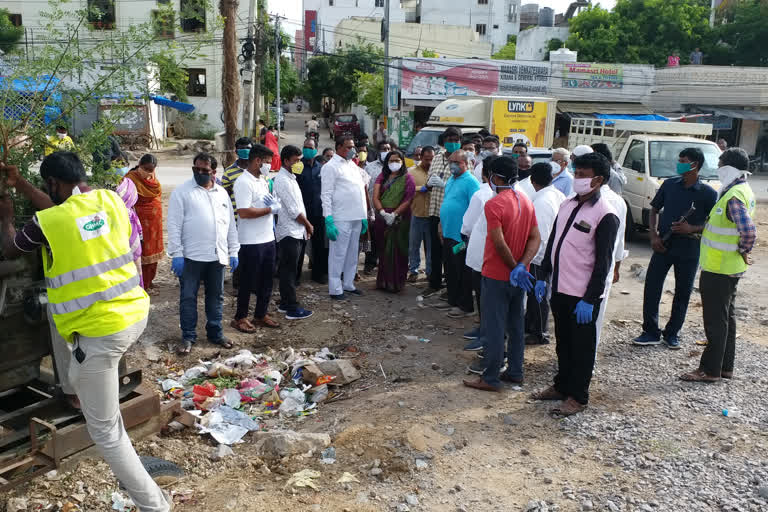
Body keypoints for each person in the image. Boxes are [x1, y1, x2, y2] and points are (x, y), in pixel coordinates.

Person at [0, 154, 171, 512]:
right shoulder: (109, 199)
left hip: (100, 335)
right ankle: (85, 390)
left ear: (53, 184)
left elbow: (12, 247)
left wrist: (6, 214)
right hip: (133, 315)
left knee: (106, 434)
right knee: (79, 376)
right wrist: (19, 184)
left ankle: (155, 506)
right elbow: (65, 215)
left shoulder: (48, 222)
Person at [533, 153, 620, 416]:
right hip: (560, 288)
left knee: (582, 347)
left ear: (599, 179)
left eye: (583, 175)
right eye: (577, 172)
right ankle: (562, 385)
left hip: (582, 294)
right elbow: (554, 243)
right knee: (563, 342)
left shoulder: (606, 214)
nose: (577, 179)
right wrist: (543, 276)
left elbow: (603, 262)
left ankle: (578, 396)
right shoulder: (567, 204)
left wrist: (590, 299)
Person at [462, 156, 541, 392]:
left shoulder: (494, 204)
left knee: (494, 327)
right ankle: (516, 371)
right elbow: (536, 237)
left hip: (497, 274)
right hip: (520, 276)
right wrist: (521, 266)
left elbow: (498, 242)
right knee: (516, 325)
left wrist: (512, 265)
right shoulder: (525, 200)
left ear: (495, 177)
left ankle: (490, 377)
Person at [681, 148, 757, 382]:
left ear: (729, 168)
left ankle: (710, 370)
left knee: (715, 321)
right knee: (726, 318)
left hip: (720, 269)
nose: (717, 169)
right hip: (727, 267)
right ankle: (725, 367)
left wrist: (744, 250)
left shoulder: (733, 196)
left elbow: (748, 231)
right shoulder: (741, 190)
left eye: (720, 165)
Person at [633, 147, 717, 349]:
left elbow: (714, 224)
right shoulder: (669, 185)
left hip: (689, 248)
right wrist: (653, 235)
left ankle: (672, 333)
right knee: (652, 286)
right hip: (663, 244)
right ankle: (650, 331)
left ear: (694, 165)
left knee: (683, 291)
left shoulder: (708, 193)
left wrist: (692, 228)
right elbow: (654, 209)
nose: (678, 164)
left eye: (683, 160)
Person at [167, 153, 239, 354]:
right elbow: (173, 225)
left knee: (216, 297)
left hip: (217, 256)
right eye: (196, 169)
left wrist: (234, 251)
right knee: (188, 297)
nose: (199, 173)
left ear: (214, 172)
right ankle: (188, 336)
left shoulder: (222, 193)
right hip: (190, 257)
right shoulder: (182, 192)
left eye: (204, 170)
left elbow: (230, 225)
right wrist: (177, 253)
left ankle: (215, 334)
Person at [230, 144, 280, 332]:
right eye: (267, 162)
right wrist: (269, 209)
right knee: (248, 281)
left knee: (268, 279)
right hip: (250, 241)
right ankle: (240, 317)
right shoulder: (244, 182)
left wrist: (273, 206)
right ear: (257, 161)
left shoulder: (263, 180)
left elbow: (264, 205)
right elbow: (243, 212)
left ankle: (260, 314)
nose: (269, 165)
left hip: (268, 238)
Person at [321, 136, 368, 300]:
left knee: (352, 253)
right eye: (349, 147)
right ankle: (335, 288)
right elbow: (325, 195)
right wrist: (328, 218)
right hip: (340, 217)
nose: (353, 150)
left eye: (353, 147)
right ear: (339, 147)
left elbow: (360, 191)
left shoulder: (353, 166)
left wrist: (364, 216)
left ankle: (348, 283)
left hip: (356, 216)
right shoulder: (330, 167)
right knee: (338, 253)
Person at [524, 162, 566, 345]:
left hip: (540, 256)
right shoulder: (557, 194)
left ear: (533, 181)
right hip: (550, 253)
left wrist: (530, 258)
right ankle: (532, 325)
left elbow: (539, 235)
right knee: (537, 294)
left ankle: (540, 332)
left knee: (538, 295)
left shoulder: (541, 201)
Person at [436, 149, 480, 318]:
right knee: (450, 270)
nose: (453, 165)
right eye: (451, 162)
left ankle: (465, 305)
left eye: (457, 162)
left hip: (461, 237)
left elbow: (475, 209)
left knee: (462, 271)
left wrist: (469, 236)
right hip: (448, 233)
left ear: (466, 163)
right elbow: (447, 202)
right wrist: (440, 224)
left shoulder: (471, 182)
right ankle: (452, 300)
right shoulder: (451, 180)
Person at [273, 145, 314, 319]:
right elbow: (292, 210)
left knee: (288, 269)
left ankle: (284, 303)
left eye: (300, 159)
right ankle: (291, 307)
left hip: (295, 230)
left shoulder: (291, 178)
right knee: (289, 271)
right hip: (289, 231)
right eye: (296, 160)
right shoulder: (282, 180)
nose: (299, 163)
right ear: (286, 160)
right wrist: (308, 224)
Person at [460, 154, 497, 350]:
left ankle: (485, 334)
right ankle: (483, 328)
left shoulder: (482, 195)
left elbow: (467, 225)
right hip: (490, 255)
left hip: (481, 253)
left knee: (484, 297)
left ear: (484, 174)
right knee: (486, 297)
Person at [424, 126, 462, 297]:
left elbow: (461, 187)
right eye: (449, 140)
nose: (452, 143)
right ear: (444, 141)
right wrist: (430, 183)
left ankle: (451, 285)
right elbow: (428, 182)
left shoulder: (463, 160)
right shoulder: (437, 158)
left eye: (456, 140)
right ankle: (434, 282)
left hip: (452, 216)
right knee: (435, 250)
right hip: (435, 210)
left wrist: (444, 184)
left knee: (451, 251)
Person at [372, 150, 415, 292]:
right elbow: (375, 196)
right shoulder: (382, 177)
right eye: (391, 161)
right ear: (387, 163)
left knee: (399, 250)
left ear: (402, 162)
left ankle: (396, 283)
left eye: (397, 160)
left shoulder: (408, 178)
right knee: (384, 250)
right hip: (382, 218)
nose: (394, 163)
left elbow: (408, 199)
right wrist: (383, 212)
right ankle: (383, 281)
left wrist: (395, 214)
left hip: (400, 219)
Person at [125, 154, 164, 290]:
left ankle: (150, 280)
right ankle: (141, 284)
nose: (148, 172)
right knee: (140, 251)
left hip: (154, 223)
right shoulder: (130, 179)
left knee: (153, 250)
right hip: (139, 223)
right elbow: (126, 199)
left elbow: (157, 195)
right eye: (145, 168)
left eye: (151, 169)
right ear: (139, 165)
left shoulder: (153, 178)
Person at [297, 138, 328, 284]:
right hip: (301, 213)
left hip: (318, 212)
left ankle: (318, 273)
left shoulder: (321, 168)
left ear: (316, 150)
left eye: (310, 147)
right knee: (299, 246)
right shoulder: (297, 167)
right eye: (305, 147)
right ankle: (296, 275)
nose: (307, 150)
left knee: (319, 245)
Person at [363, 140, 391, 272]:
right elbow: (365, 187)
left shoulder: (395, 167)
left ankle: (385, 265)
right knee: (372, 237)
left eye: (388, 149)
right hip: (373, 209)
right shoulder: (370, 167)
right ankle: (370, 263)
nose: (386, 151)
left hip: (389, 209)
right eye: (383, 149)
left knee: (387, 237)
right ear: (378, 151)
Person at [407, 146, 434, 282]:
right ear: (421, 157)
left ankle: (430, 272)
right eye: (426, 159)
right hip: (416, 214)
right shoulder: (411, 172)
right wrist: (422, 188)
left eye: (431, 159)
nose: (429, 162)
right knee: (414, 245)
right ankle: (413, 270)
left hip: (431, 216)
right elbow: (407, 190)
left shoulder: (436, 173)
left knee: (430, 247)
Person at [115, 177, 144, 288]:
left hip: (131, 225)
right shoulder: (106, 184)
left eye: (123, 164)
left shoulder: (130, 183)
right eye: (116, 163)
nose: (120, 166)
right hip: (115, 225)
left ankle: (137, 289)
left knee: (135, 260)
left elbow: (133, 206)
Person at [222, 137, 254, 216]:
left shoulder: (258, 170)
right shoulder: (228, 172)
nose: (246, 150)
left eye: (248, 148)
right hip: (235, 216)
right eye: (242, 148)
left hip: (256, 216)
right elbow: (224, 195)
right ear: (236, 151)